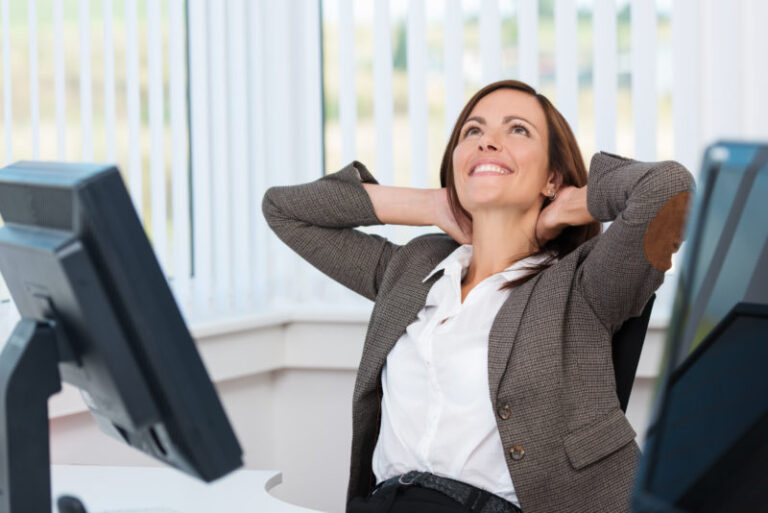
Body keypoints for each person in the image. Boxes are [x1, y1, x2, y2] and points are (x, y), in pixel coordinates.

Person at [262, 80, 694, 513]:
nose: (488, 141)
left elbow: (671, 190)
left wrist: (566, 206)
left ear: (551, 177)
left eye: (518, 130)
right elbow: (284, 210)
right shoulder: (413, 270)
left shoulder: (585, 286)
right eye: (473, 131)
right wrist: (434, 204)